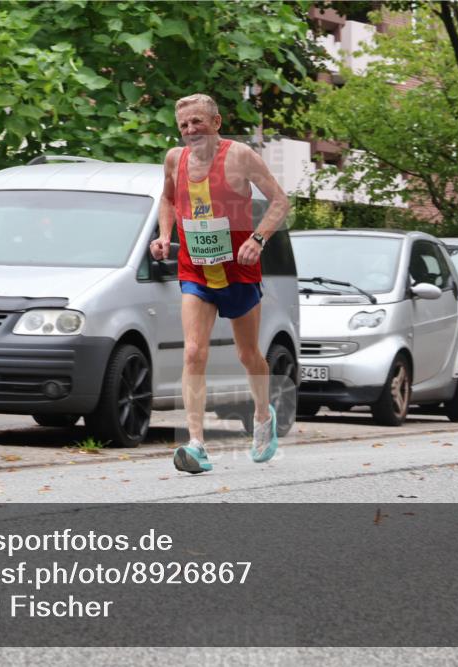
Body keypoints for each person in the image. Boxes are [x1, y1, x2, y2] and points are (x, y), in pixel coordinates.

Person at [149, 93, 290, 474]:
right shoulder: (174, 160)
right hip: (194, 269)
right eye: (183, 125)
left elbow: (280, 201)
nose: (190, 131)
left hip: (238, 270)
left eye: (197, 122)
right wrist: (165, 236)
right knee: (194, 351)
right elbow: (167, 199)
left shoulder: (240, 156)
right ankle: (196, 445)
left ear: (216, 122)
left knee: (248, 354)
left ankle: (263, 415)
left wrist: (257, 239)